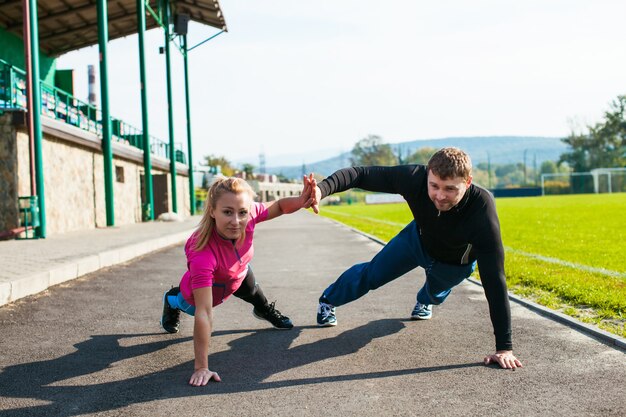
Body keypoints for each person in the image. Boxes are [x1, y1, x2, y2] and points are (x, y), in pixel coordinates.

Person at [310, 147, 523, 369]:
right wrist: (322, 190)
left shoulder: (482, 209)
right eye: (434, 186)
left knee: (433, 294)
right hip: (416, 241)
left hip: (454, 263)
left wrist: (504, 348)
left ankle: (424, 301)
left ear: (468, 182)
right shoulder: (413, 178)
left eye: (450, 189)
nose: (440, 196)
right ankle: (328, 300)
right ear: (428, 174)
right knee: (372, 274)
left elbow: (494, 279)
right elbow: (360, 174)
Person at [160, 175, 316, 386]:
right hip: (203, 293)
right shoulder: (203, 253)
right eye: (227, 212)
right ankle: (171, 299)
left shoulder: (249, 214)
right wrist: (201, 367)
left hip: (238, 274)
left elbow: (279, 205)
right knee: (185, 303)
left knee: (254, 292)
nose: (236, 221)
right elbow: (204, 313)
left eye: (242, 212)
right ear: (212, 211)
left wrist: (301, 200)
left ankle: (263, 309)